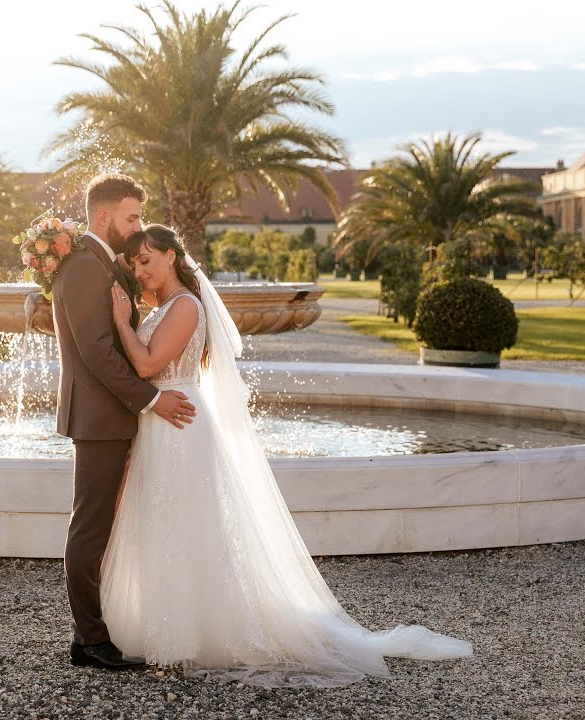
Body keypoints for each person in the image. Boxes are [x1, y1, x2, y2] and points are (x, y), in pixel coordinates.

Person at [102, 224, 474, 688]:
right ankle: (162, 628)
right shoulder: (157, 307)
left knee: (188, 524)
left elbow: (148, 365)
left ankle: (193, 634)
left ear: (173, 257)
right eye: (134, 263)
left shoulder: (185, 307)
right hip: (161, 423)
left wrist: (121, 322)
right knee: (161, 523)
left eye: (147, 260)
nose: (140, 270)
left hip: (180, 427)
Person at [49, 173, 198, 671]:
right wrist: (152, 399)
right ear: (102, 215)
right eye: (132, 216)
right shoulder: (86, 266)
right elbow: (95, 354)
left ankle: (98, 631)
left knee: (101, 525)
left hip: (110, 417)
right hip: (99, 418)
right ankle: (89, 640)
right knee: (90, 527)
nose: (137, 226)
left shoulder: (97, 264)